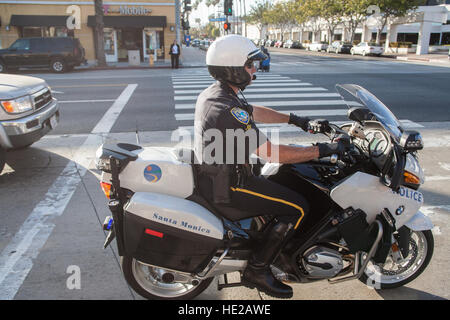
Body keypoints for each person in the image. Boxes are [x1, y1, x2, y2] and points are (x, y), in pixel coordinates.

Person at [193, 35, 349, 298]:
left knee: (286, 180)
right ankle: (257, 269)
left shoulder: (221, 95)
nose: (254, 70)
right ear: (232, 66)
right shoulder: (226, 110)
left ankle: (276, 249)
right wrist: (323, 149)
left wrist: (298, 120)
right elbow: (272, 153)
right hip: (229, 186)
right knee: (298, 207)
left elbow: (252, 111)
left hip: (221, 174)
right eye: (249, 65)